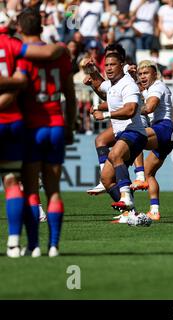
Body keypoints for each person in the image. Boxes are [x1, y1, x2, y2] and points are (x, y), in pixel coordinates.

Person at [0, 10, 70, 258]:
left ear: (20, 27)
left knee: (29, 190)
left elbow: (19, 81)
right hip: (52, 124)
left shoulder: (19, 53)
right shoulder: (56, 53)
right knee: (49, 190)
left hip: (31, 128)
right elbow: (70, 95)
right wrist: (70, 128)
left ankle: (33, 245)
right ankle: (49, 246)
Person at [91, 52, 148, 218]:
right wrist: (91, 70)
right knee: (107, 180)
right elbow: (100, 86)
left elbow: (130, 109)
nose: (108, 68)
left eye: (112, 64)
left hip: (135, 132)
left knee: (115, 154)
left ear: (122, 65)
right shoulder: (112, 85)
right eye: (106, 65)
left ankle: (126, 196)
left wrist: (105, 115)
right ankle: (130, 214)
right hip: (122, 133)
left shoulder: (128, 84)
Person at [138, 60, 173, 221]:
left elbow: (150, 107)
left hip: (163, 128)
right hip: (166, 134)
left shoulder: (157, 86)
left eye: (146, 73)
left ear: (155, 73)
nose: (142, 76)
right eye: (140, 74)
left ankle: (138, 178)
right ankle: (154, 210)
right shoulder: (147, 90)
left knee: (132, 139)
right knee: (150, 173)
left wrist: (129, 111)